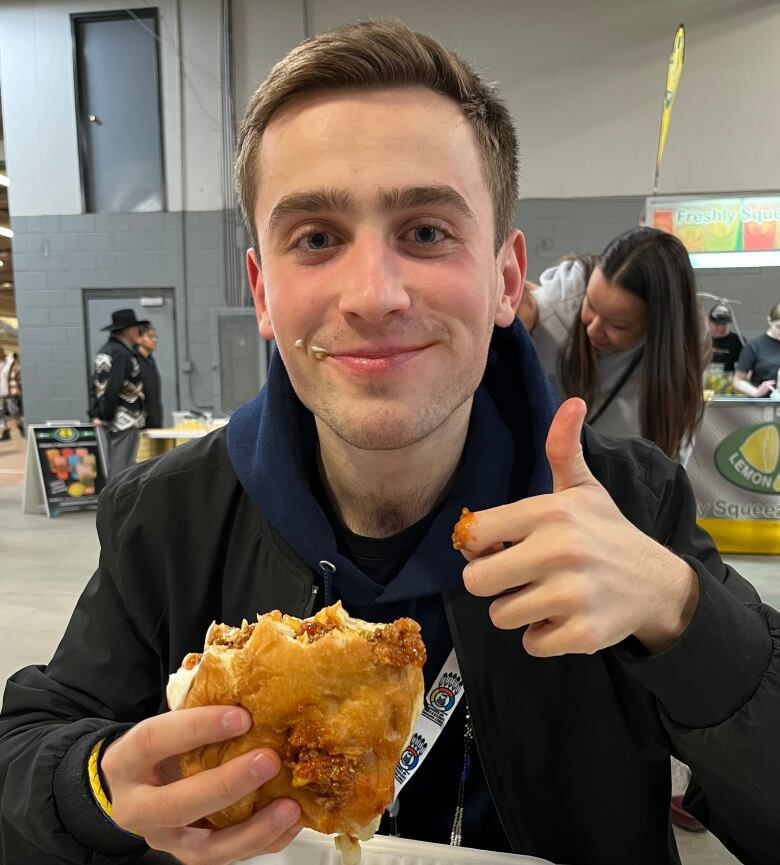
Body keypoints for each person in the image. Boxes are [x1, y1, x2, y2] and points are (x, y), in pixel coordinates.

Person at [2, 20, 780, 865]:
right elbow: (27, 748)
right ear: (264, 290)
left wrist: (685, 619)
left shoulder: (632, 506)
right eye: (316, 239)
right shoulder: (167, 519)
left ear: (505, 278)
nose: (373, 294)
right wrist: (96, 785)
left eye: (426, 232)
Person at [517, 228, 707, 461]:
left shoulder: (681, 356)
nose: (593, 329)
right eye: (591, 305)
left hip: (614, 479)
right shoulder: (554, 302)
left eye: (618, 326)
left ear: (655, 330)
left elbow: (673, 455)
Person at [89, 309, 147, 477]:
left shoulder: (106, 351)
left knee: (115, 461)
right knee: (123, 465)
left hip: (110, 416)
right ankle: (117, 501)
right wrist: (107, 415)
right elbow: (114, 387)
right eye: (137, 329)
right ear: (128, 330)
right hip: (124, 418)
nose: (139, 333)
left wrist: (97, 413)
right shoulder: (122, 354)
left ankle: (116, 499)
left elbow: (98, 385)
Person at [733, 301, 780, 398]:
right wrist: (756, 392)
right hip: (763, 405)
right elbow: (738, 380)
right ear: (769, 321)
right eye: (778, 327)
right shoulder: (754, 346)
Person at [137, 324, 164, 429]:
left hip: (154, 417)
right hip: (140, 421)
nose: (154, 339)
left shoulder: (150, 361)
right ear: (139, 338)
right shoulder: (134, 361)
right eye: (150, 336)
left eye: (155, 336)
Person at [707, 303, 744, 373]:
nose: (720, 328)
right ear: (709, 322)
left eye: (724, 324)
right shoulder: (702, 340)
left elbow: (745, 367)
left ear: (729, 324)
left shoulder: (738, 341)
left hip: (729, 381)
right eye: (717, 324)